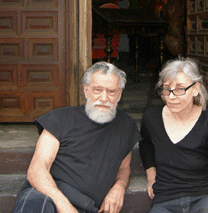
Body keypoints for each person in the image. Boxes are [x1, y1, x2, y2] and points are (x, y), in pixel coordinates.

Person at [13, 61, 141, 213]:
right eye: (97, 90)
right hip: (49, 197)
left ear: (119, 95)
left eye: (111, 92)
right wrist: (65, 206)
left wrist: (119, 186)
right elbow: (36, 170)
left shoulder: (126, 125)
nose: (104, 98)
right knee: (35, 203)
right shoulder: (60, 118)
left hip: (88, 206)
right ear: (86, 91)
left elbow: (124, 168)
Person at [139, 57, 208, 213]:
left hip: (205, 196)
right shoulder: (152, 118)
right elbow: (145, 143)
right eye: (166, 89)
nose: (170, 96)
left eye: (179, 89)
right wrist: (151, 175)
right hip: (166, 198)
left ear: (196, 88)